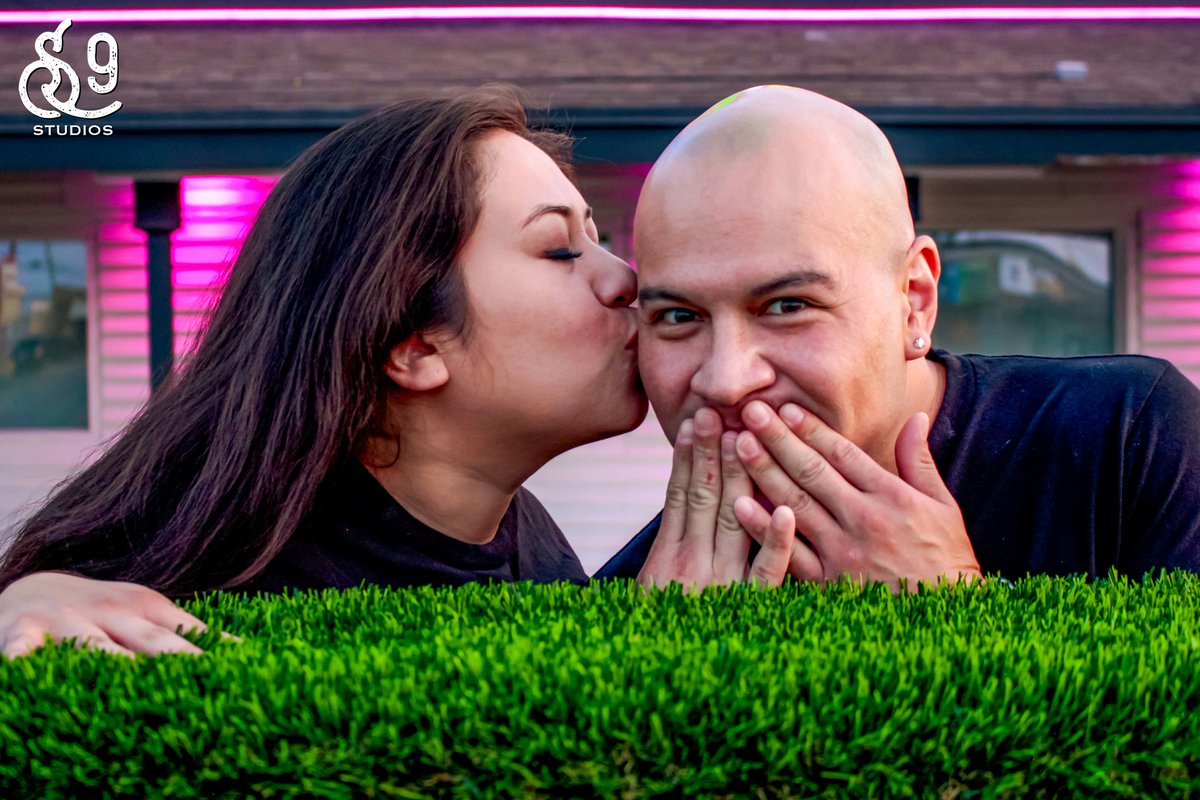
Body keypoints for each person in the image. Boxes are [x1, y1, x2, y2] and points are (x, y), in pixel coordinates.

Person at [0, 88, 796, 658]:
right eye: (560, 249)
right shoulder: (219, 587)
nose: (626, 277)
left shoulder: (526, 541)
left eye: (598, 237)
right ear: (413, 345)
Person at [600, 84, 1200, 588]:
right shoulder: (649, 588)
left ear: (914, 300)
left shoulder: (1126, 437)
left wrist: (953, 610)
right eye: (679, 317)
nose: (726, 380)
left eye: (787, 305)